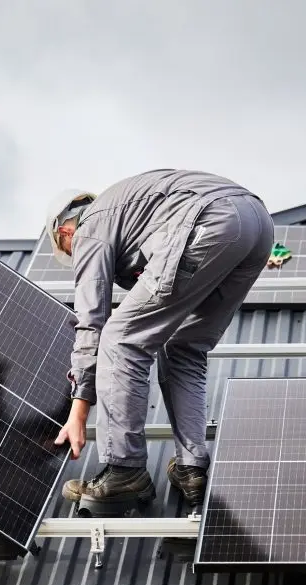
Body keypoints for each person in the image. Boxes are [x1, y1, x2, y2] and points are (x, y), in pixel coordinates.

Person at [48, 169, 275, 516]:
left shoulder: (90, 226)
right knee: (184, 347)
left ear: (66, 231)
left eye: (69, 250)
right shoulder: (128, 210)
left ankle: (124, 470)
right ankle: (191, 467)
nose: (76, 257)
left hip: (209, 219)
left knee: (121, 338)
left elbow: (92, 321)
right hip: (257, 224)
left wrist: (79, 408)